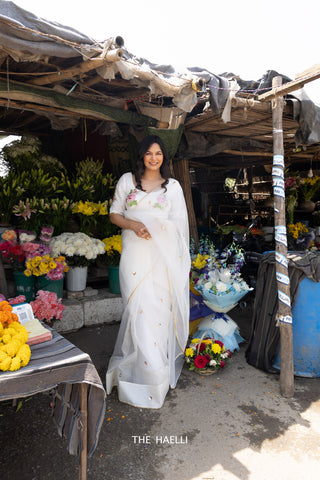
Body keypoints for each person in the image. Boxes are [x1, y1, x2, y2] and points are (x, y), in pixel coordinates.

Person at [106, 135, 190, 409]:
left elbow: (179, 225)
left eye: (159, 154)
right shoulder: (127, 181)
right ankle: (140, 367)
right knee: (137, 308)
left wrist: (159, 231)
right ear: (141, 155)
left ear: (164, 157)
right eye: (149, 153)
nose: (154, 158)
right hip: (134, 254)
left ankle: (155, 371)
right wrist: (134, 226)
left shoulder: (173, 187)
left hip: (162, 256)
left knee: (157, 310)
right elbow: (114, 214)